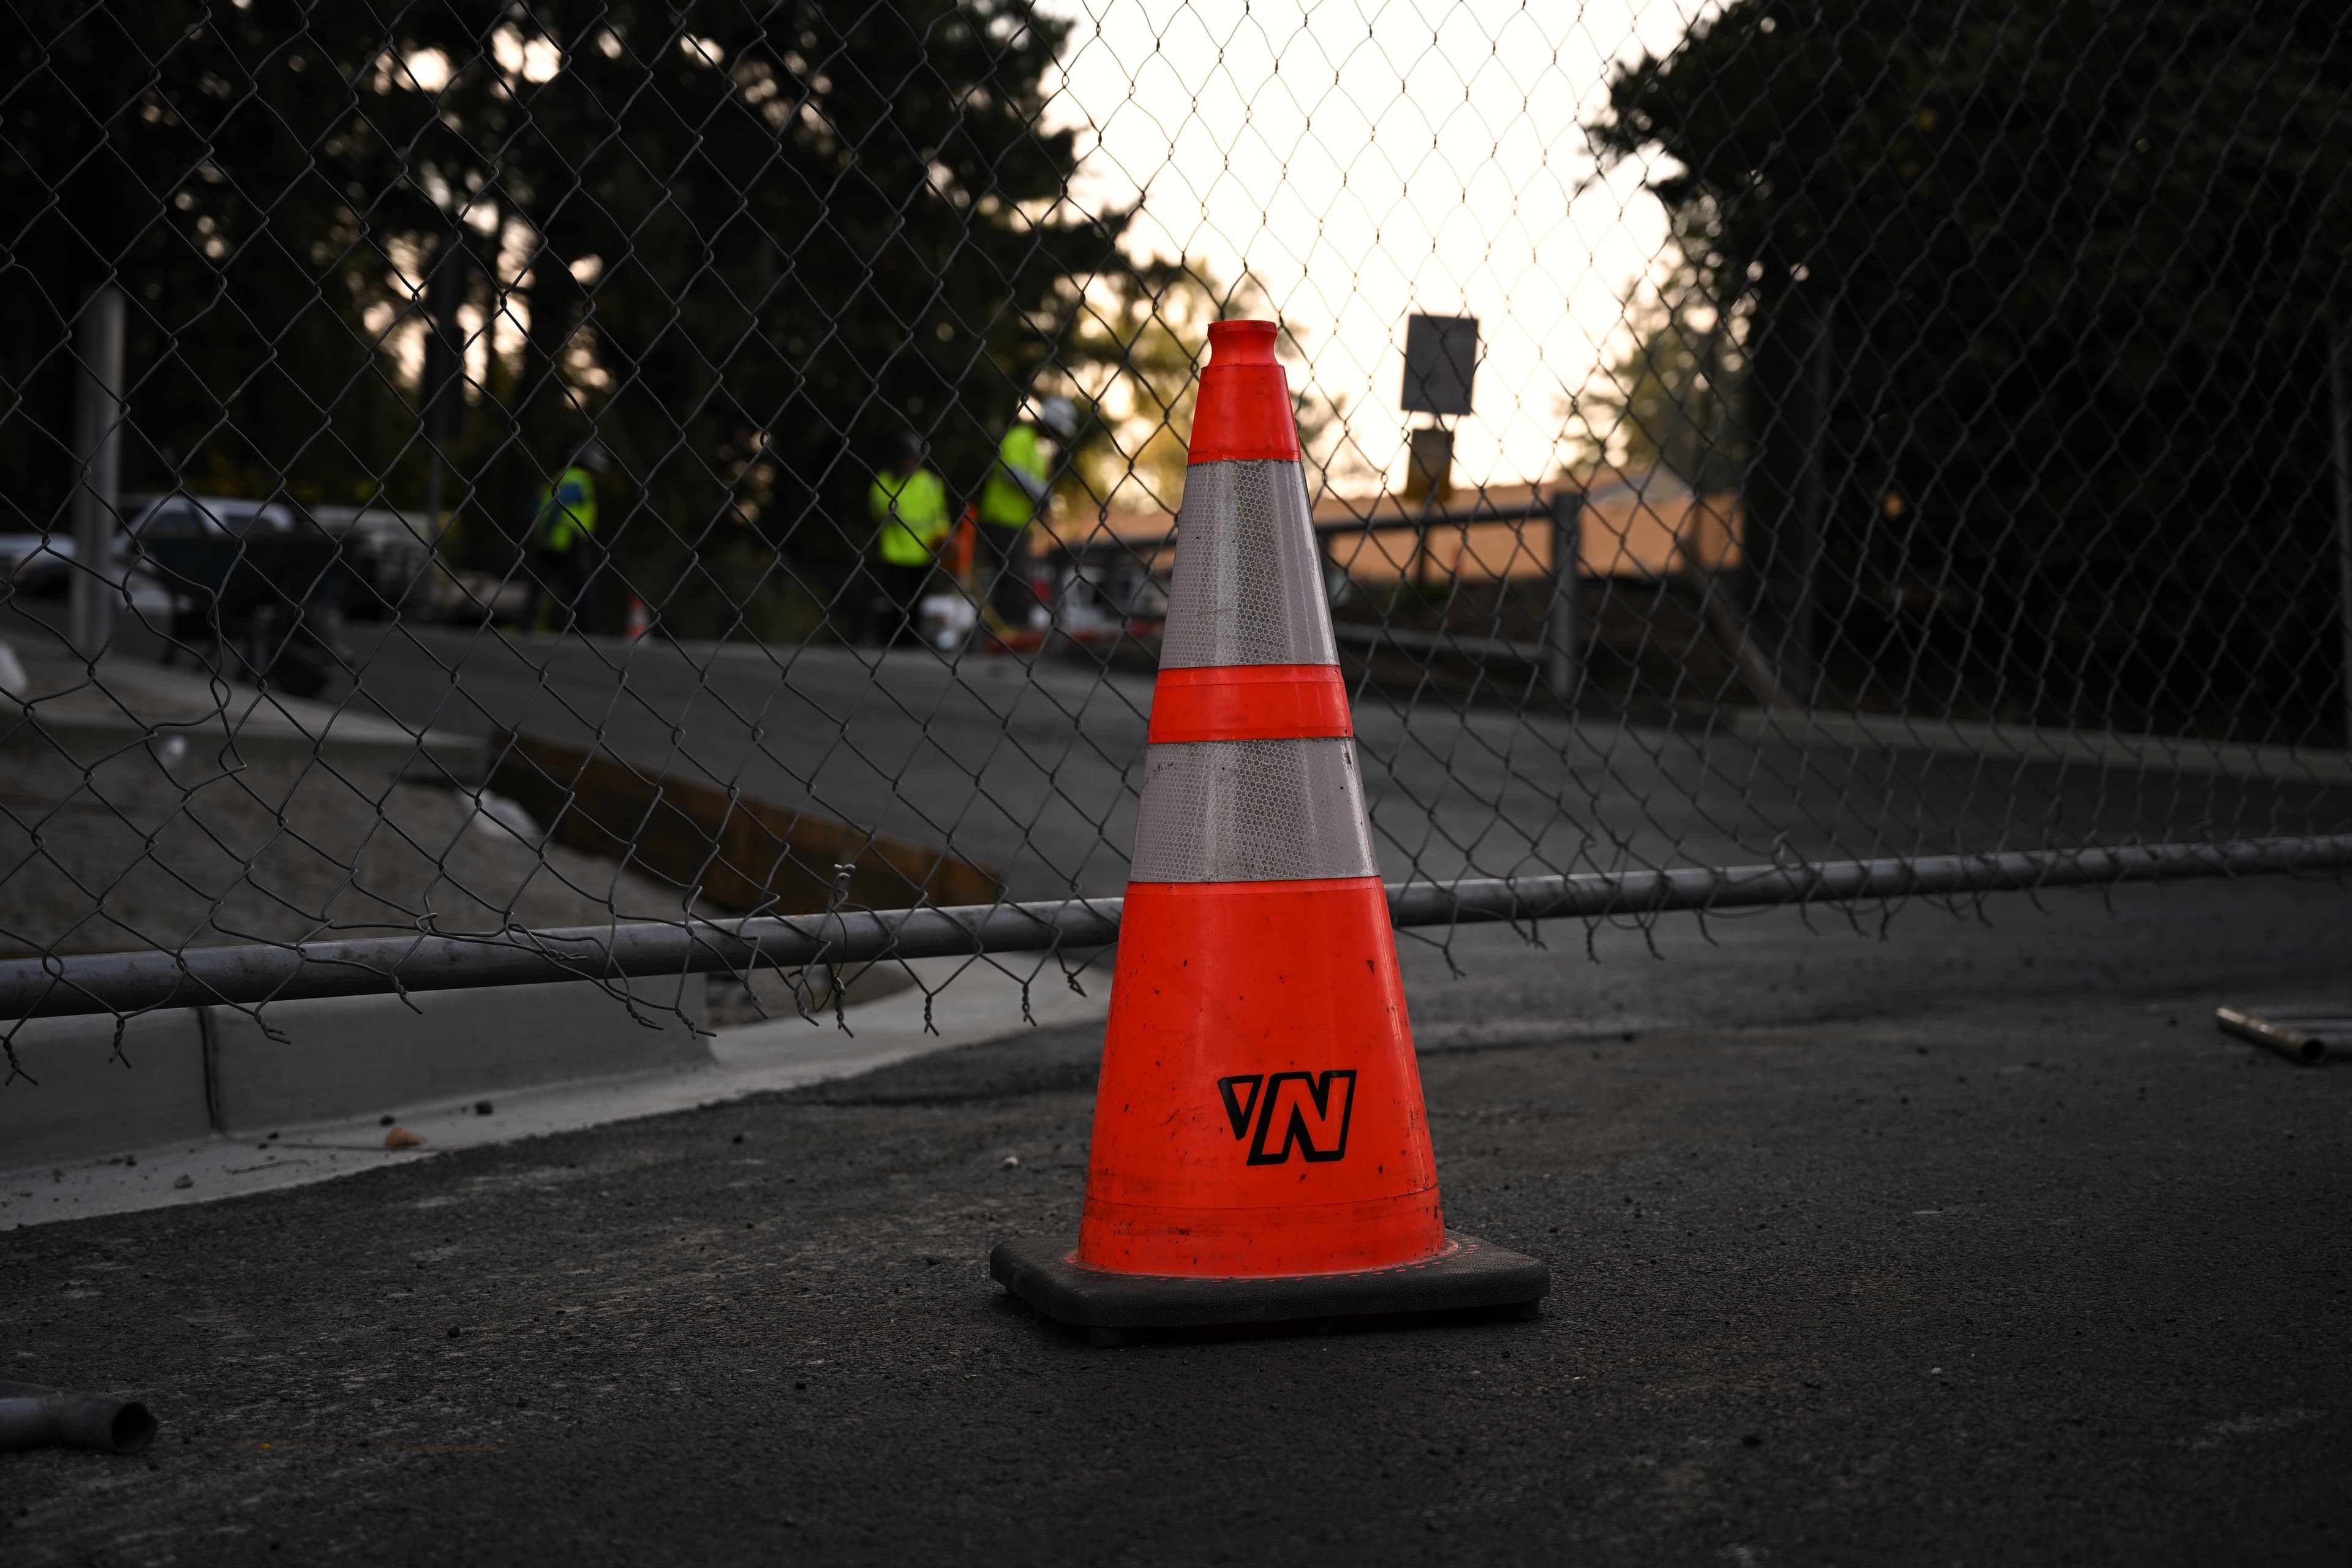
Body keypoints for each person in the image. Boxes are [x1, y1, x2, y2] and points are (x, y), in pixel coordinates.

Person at [974, 394, 1076, 631]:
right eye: (1057, 431)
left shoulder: (1038, 450)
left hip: (1019, 523)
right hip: (1001, 519)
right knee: (1010, 574)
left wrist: (1040, 500)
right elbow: (1011, 473)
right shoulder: (1020, 438)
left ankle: (1008, 627)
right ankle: (1007, 626)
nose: (1058, 438)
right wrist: (1042, 492)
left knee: (1015, 574)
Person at [869, 431, 950, 646]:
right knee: (894, 600)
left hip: (923, 554)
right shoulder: (886, 480)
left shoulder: (930, 483)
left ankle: (910, 641)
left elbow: (940, 516)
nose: (910, 462)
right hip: (895, 552)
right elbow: (877, 505)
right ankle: (892, 640)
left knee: (917, 602)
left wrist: (943, 539)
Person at [521, 441, 605, 633]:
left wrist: (541, 532)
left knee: (539, 586)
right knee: (584, 588)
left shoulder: (560, 477)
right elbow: (559, 503)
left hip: (548, 542)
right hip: (568, 541)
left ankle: (526, 625)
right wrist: (552, 529)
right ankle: (586, 630)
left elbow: (535, 504)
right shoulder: (579, 481)